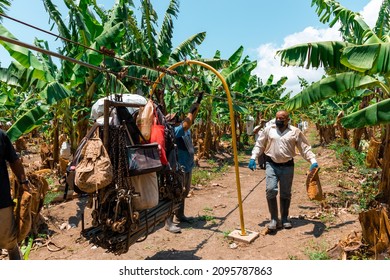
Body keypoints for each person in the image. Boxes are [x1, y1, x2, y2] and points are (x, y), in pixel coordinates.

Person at [248, 110, 318, 231]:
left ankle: (285, 218)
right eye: (277, 118)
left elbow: (304, 148)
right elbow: (260, 144)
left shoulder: (295, 131)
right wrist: (253, 157)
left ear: (287, 120)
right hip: (271, 164)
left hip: (287, 166)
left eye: (282, 118)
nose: (279, 120)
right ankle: (274, 218)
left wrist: (313, 160)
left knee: (286, 193)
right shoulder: (269, 129)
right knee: (270, 189)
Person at [164, 93, 203, 233]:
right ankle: (168, 222)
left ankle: (180, 215)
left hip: (187, 165)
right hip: (177, 167)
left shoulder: (183, 128)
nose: (178, 117)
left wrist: (197, 104)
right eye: (175, 117)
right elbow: (187, 122)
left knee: (184, 191)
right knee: (175, 192)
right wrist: (191, 109)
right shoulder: (174, 130)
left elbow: (190, 120)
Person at [0, 129, 28, 260]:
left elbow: (14, 161)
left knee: (9, 241)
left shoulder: (1, 136)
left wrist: (23, 182)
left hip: (1, 199)